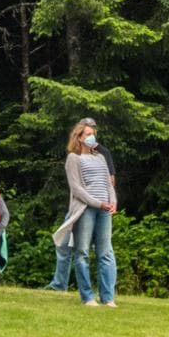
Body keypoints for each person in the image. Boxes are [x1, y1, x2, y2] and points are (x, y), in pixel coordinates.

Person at [48, 117, 118, 306]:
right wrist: (97, 203)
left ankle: (108, 297)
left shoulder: (101, 157)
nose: (91, 137)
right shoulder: (74, 158)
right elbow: (77, 189)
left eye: (93, 134)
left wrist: (113, 202)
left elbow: (108, 183)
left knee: (104, 253)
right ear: (78, 137)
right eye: (87, 134)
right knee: (82, 253)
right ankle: (87, 296)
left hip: (104, 209)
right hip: (86, 210)